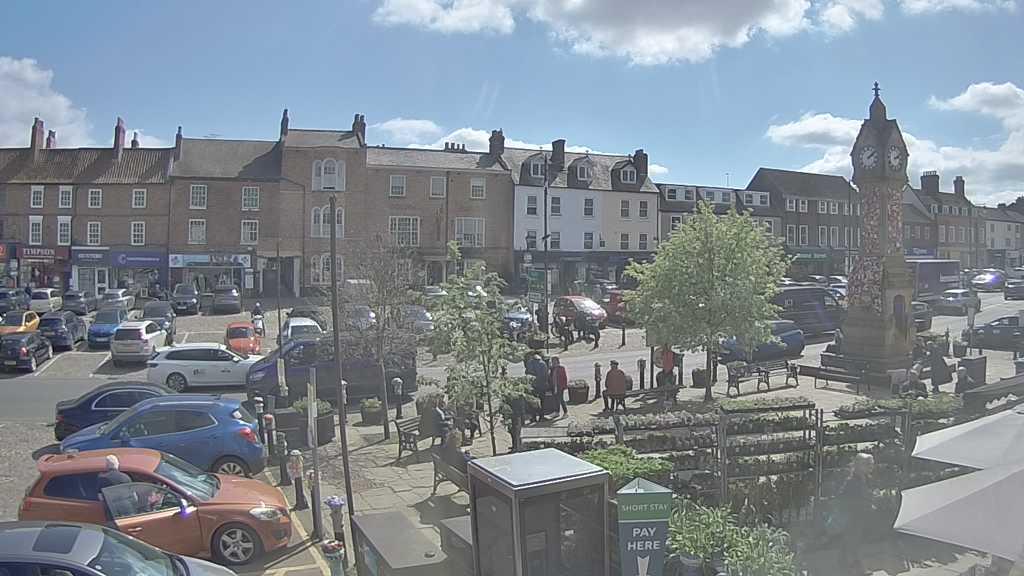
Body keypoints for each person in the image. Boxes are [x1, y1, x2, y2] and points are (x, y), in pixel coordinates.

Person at [837, 453, 875, 575]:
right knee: (854, 543)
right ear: (859, 466)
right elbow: (844, 498)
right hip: (852, 516)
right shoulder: (852, 481)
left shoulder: (864, 478)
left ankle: (845, 566)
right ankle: (858, 570)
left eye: (871, 464)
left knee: (852, 542)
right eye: (868, 464)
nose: (871, 466)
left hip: (859, 516)